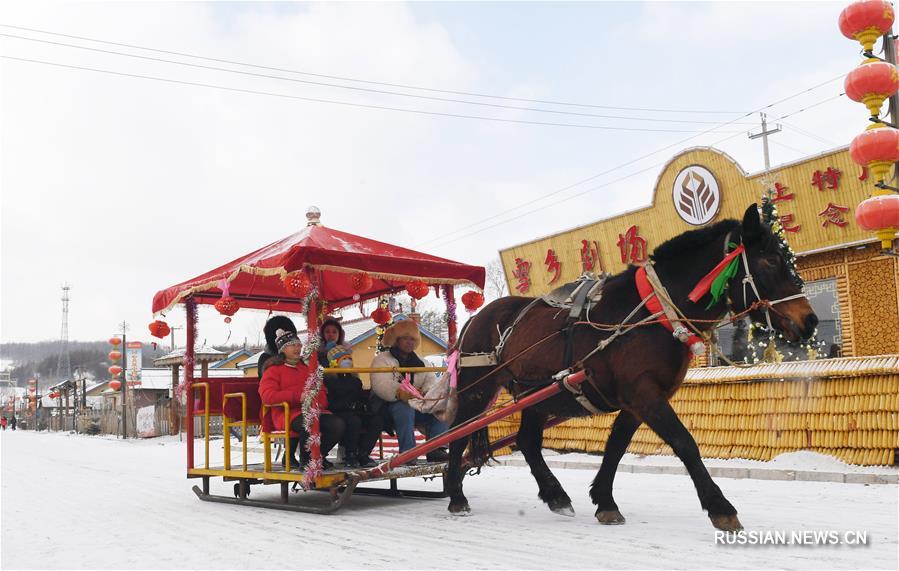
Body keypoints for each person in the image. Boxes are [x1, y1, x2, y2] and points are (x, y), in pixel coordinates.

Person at [259, 319, 344, 471]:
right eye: (293, 345)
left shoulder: (307, 369)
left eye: (299, 345)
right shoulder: (273, 370)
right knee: (309, 422)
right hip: (287, 413)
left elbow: (321, 390)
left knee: (337, 424)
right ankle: (306, 461)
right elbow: (267, 396)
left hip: (312, 410)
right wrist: (298, 397)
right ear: (283, 349)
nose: (297, 348)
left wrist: (318, 401)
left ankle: (318, 456)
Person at [370, 319, 449, 462]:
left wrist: (428, 394)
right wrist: (399, 393)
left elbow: (430, 383)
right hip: (385, 409)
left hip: (415, 406)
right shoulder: (382, 360)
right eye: (405, 338)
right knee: (404, 406)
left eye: (412, 339)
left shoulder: (423, 362)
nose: (409, 342)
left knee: (441, 405)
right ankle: (408, 452)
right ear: (396, 340)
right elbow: (380, 384)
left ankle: (437, 448)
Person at [323, 345, 383, 468]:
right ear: (335, 363)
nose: (348, 362)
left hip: (356, 411)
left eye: (349, 359)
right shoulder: (329, 380)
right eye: (343, 359)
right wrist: (347, 405)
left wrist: (364, 405)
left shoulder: (355, 381)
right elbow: (330, 402)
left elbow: (361, 397)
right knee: (353, 421)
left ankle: (363, 453)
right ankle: (350, 454)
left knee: (377, 420)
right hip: (339, 412)